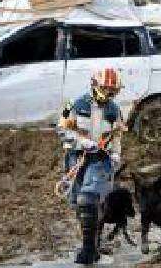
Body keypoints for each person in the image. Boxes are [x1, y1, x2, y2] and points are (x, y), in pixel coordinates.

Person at [57, 68, 125, 264]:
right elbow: (61, 129)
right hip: (77, 158)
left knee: (88, 199)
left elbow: (117, 135)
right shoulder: (74, 104)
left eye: (113, 91)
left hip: (101, 160)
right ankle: (93, 242)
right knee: (80, 204)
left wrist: (115, 153)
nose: (109, 94)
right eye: (106, 89)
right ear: (95, 85)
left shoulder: (114, 110)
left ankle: (88, 251)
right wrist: (80, 141)